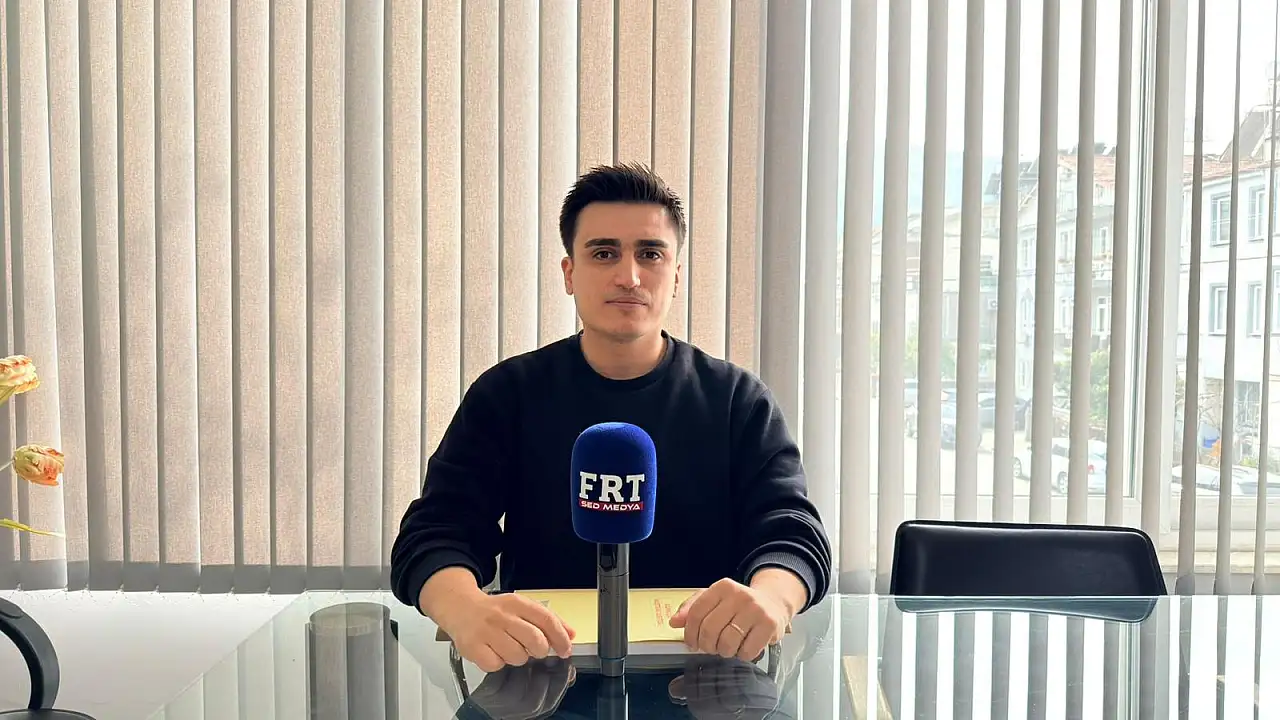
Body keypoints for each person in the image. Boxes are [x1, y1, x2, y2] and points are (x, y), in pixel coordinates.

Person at [390, 162, 832, 673]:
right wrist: (464, 608)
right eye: (604, 253)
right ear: (569, 274)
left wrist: (773, 597)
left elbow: (793, 533)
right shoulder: (507, 394)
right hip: (542, 677)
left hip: (710, 677)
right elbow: (435, 531)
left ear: (676, 276)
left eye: (650, 254)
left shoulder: (738, 399)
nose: (629, 276)